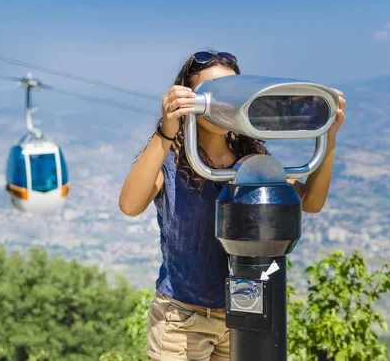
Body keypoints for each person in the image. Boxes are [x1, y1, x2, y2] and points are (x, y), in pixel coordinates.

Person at [119, 50, 346, 361]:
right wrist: (166, 130)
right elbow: (130, 205)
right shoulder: (168, 159)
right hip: (181, 321)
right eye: (213, 93)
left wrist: (328, 136)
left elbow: (312, 203)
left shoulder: (253, 160)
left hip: (242, 315)